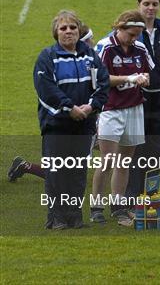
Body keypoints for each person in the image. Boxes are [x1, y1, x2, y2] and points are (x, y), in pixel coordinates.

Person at [33, 10, 109, 229]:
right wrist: (69, 108)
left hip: (84, 124)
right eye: (63, 28)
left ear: (79, 31)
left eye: (72, 27)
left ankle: (74, 215)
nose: (68, 32)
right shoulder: (47, 57)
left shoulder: (90, 56)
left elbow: (102, 83)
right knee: (56, 172)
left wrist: (91, 106)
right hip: (57, 126)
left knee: (77, 171)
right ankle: (55, 217)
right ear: (56, 32)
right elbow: (46, 90)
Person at [8, 23, 97, 183]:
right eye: (90, 39)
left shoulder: (90, 59)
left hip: (87, 118)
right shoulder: (60, 62)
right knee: (64, 171)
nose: (94, 42)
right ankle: (24, 166)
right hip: (69, 120)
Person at [91, 10, 153, 225]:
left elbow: (147, 72)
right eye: (131, 34)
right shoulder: (105, 46)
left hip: (134, 108)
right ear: (120, 28)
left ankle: (118, 208)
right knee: (107, 160)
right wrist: (129, 77)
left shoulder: (140, 48)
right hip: (111, 108)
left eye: (138, 35)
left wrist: (144, 78)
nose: (134, 39)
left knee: (124, 162)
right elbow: (100, 79)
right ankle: (96, 206)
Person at [125, 0, 160, 200]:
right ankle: (132, 194)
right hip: (138, 97)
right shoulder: (130, 30)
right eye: (146, 3)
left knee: (157, 147)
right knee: (137, 146)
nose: (150, 8)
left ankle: (151, 192)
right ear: (139, 5)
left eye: (154, 4)